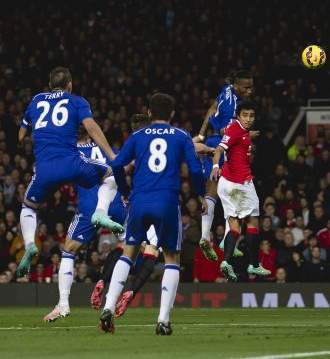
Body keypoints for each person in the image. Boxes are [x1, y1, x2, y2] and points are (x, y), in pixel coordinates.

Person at [99, 93, 206, 335]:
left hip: (139, 200)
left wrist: (125, 192)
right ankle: (163, 320)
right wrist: (200, 195)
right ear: (172, 114)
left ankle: (108, 307)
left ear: (149, 113)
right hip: (166, 200)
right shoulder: (181, 136)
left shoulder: (137, 136)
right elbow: (196, 169)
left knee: (128, 253)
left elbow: (117, 165)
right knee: (171, 259)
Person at [17, 67, 122, 278]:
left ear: (49, 85)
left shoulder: (36, 100)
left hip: (45, 168)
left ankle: (30, 244)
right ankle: (100, 212)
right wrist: (111, 154)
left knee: (28, 207)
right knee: (110, 174)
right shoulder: (77, 101)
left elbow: (21, 136)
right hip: (72, 163)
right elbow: (91, 127)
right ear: (70, 84)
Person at [42, 126, 128, 322]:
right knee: (129, 249)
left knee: (69, 250)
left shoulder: (71, 154)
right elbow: (124, 167)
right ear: (90, 135)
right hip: (116, 204)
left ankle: (63, 303)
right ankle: (110, 289)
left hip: (89, 207)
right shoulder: (108, 149)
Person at [195, 71, 254, 261]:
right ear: (237, 86)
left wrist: (202, 134)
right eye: (246, 87)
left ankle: (205, 235)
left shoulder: (227, 89)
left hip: (211, 142)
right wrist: (250, 136)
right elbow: (228, 132)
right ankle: (228, 239)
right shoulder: (233, 107)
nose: (250, 91)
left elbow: (212, 109)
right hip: (225, 147)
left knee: (212, 192)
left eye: (251, 86)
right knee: (237, 193)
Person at [209, 101, 270, 280]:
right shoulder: (236, 129)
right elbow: (219, 149)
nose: (248, 119)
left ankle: (226, 261)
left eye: (251, 116)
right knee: (252, 223)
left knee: (235, 225)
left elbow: (230, 135)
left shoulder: (239, 130)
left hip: (227, 184)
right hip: (240, 184)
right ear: (238, 115)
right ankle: (254, 265)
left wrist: (247, 134)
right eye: (245, 115)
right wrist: (214, 166)